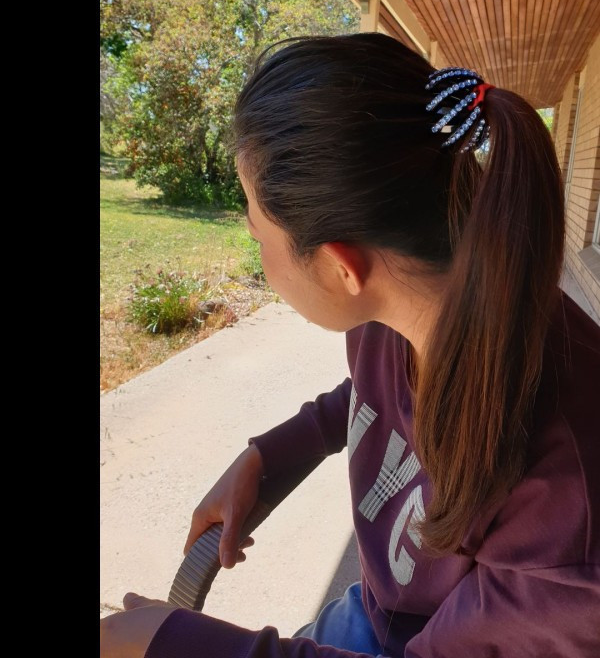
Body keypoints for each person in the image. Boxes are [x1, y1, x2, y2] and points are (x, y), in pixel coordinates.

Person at [100, 33, 600, 657]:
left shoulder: (571, 515)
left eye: (258, 237)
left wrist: (176, 644)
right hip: (377, 608)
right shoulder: (418, 307)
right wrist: (269, 456)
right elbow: (373, 393)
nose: (262, 260)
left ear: (342, 268)